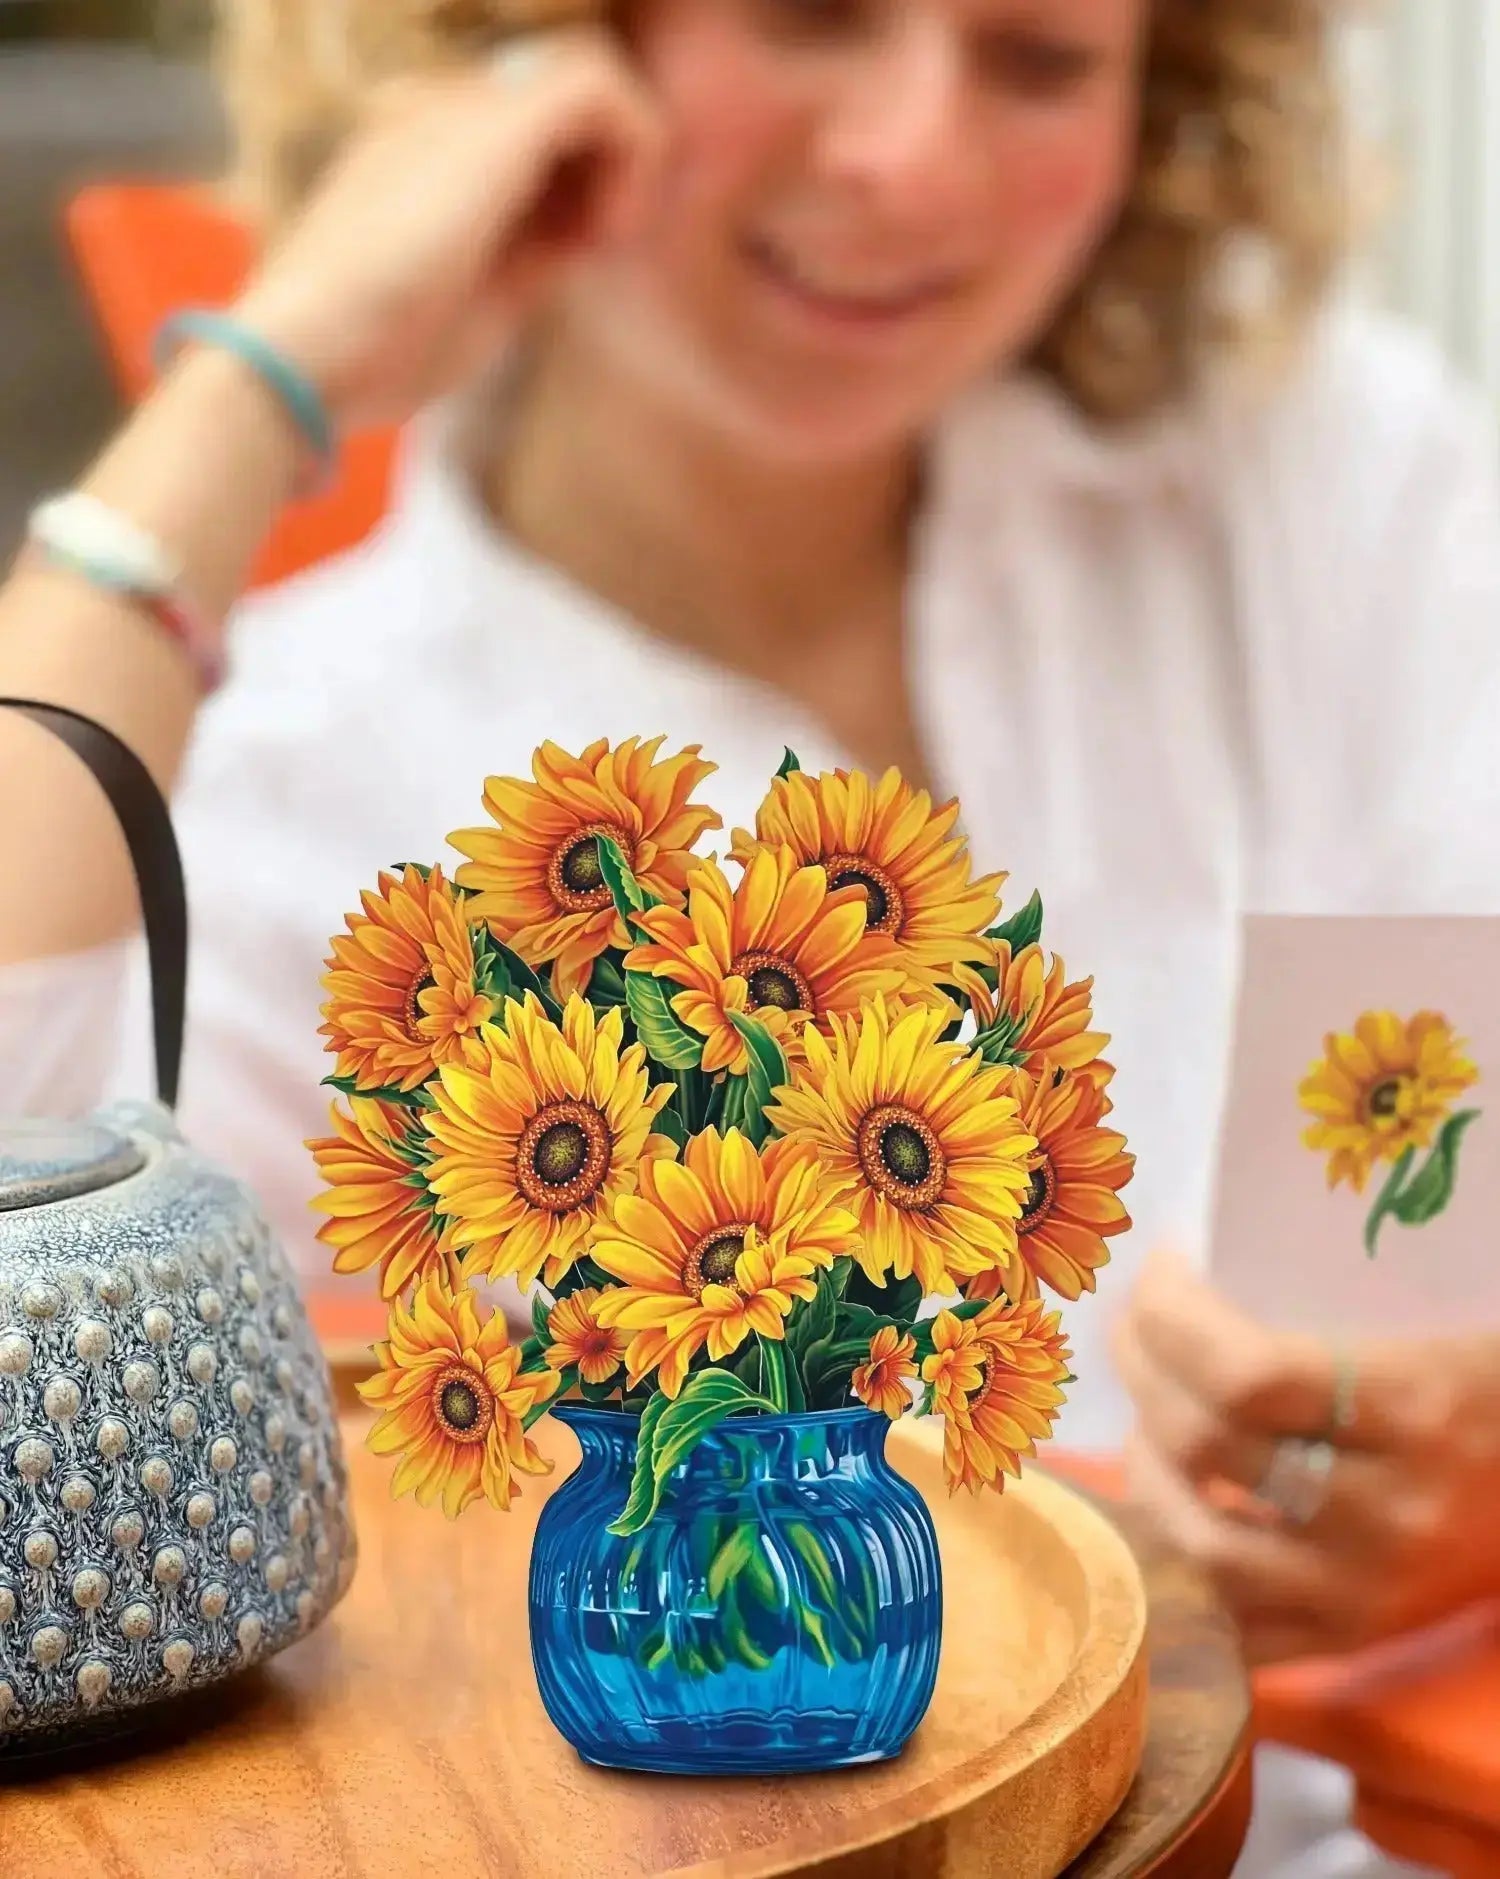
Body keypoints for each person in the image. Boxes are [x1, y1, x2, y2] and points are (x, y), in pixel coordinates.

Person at [1, 0, 1497, 1868]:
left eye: (1041, 60)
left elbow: (1454, 1146)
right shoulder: (274, 795)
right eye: (809, 15)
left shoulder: (1311, 494)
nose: (909, 161)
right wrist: (266, 371)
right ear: (529, 51)